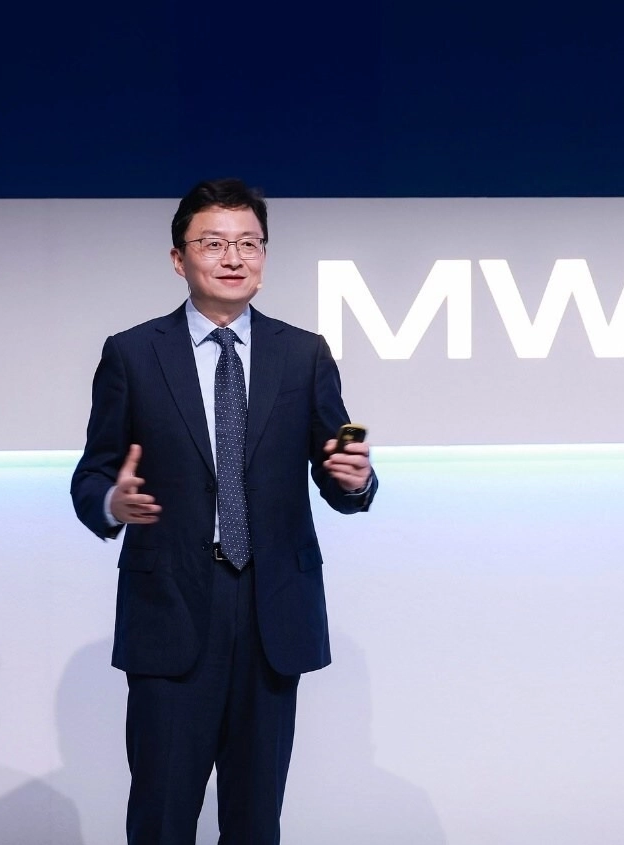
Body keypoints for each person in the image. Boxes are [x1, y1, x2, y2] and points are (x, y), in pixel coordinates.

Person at [71, 178, 376, 844]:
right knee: (162, 816)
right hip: (171, 607)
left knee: (255, 821)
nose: (234, 258)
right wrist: (113, 502)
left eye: (249, 244)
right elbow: (91, 475)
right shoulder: (133, 354)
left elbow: (337, 470)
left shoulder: (304, 354)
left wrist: (355, 480)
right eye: (213, 244)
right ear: (179, 258)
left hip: (273, 611)